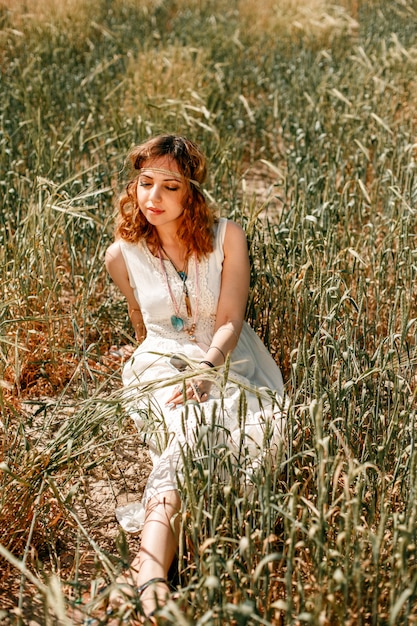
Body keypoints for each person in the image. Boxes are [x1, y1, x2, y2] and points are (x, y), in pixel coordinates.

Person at [104, 134, 286, 622]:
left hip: (226, 356)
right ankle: (153, 575)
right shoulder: (121, 254)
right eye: (145, 183)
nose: (153, 198)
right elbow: (142, 323)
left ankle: (145, 565)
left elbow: (230, 316)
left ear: (191, 193)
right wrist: (146, 356)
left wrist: (207, 367)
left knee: (226, 432)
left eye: (169, 186)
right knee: (187, 431)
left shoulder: (227, 236)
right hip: (161, 362)